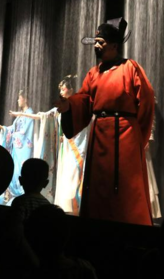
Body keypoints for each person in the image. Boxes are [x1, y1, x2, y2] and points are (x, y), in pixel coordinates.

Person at [57, 17, 155, 225]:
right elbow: (84, 98)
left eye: (100, 42)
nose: (97, 45)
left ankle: (131, 227)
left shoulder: (131, 68)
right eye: (96, 42)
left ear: (114, 45)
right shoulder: (94, 73)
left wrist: (140, 137)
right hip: (99, 134)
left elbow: (146, 103)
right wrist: (69, 106)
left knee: (126, 184)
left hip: (126, 135)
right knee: (98, 183)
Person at [10, 77, 89, 213]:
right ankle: (67, 206)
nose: (61, 92)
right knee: (65, 174)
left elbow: (85, 123)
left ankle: (77, 206)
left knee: (74, 173)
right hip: (65, 147)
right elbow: (43, 116)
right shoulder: (59, 108)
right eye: (60, 90)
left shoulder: (78, 106)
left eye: (63, 89)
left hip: (74, 145)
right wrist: (22, 114)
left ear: (71, 90)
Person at [0, 90, 34, 206]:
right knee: (14, 171)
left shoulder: (29, 113)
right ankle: (13, 197)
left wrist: (14, 136)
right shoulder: (19, 116)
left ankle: (21, 195)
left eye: (19, 98)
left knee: (19, 171)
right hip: (16, 149)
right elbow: (11, 129)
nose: (18, 100)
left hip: (23, 149)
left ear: (25, 99)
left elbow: (25, 132)